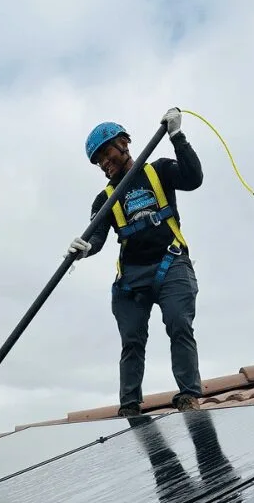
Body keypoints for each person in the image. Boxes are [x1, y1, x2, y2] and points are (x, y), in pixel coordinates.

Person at [69, 108, 204, 417]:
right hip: (131, 280)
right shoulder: (105, 198)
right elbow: (98, 237)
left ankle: (189, 396)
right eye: (98, 160)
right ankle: (130, 406)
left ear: (125, 143)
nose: (105, 162)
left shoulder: (159, 171)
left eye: (106, 153)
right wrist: (84, 248)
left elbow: (193, 178)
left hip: (171, 265)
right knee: (132, 342)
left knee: (179, 324)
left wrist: (177, 136)